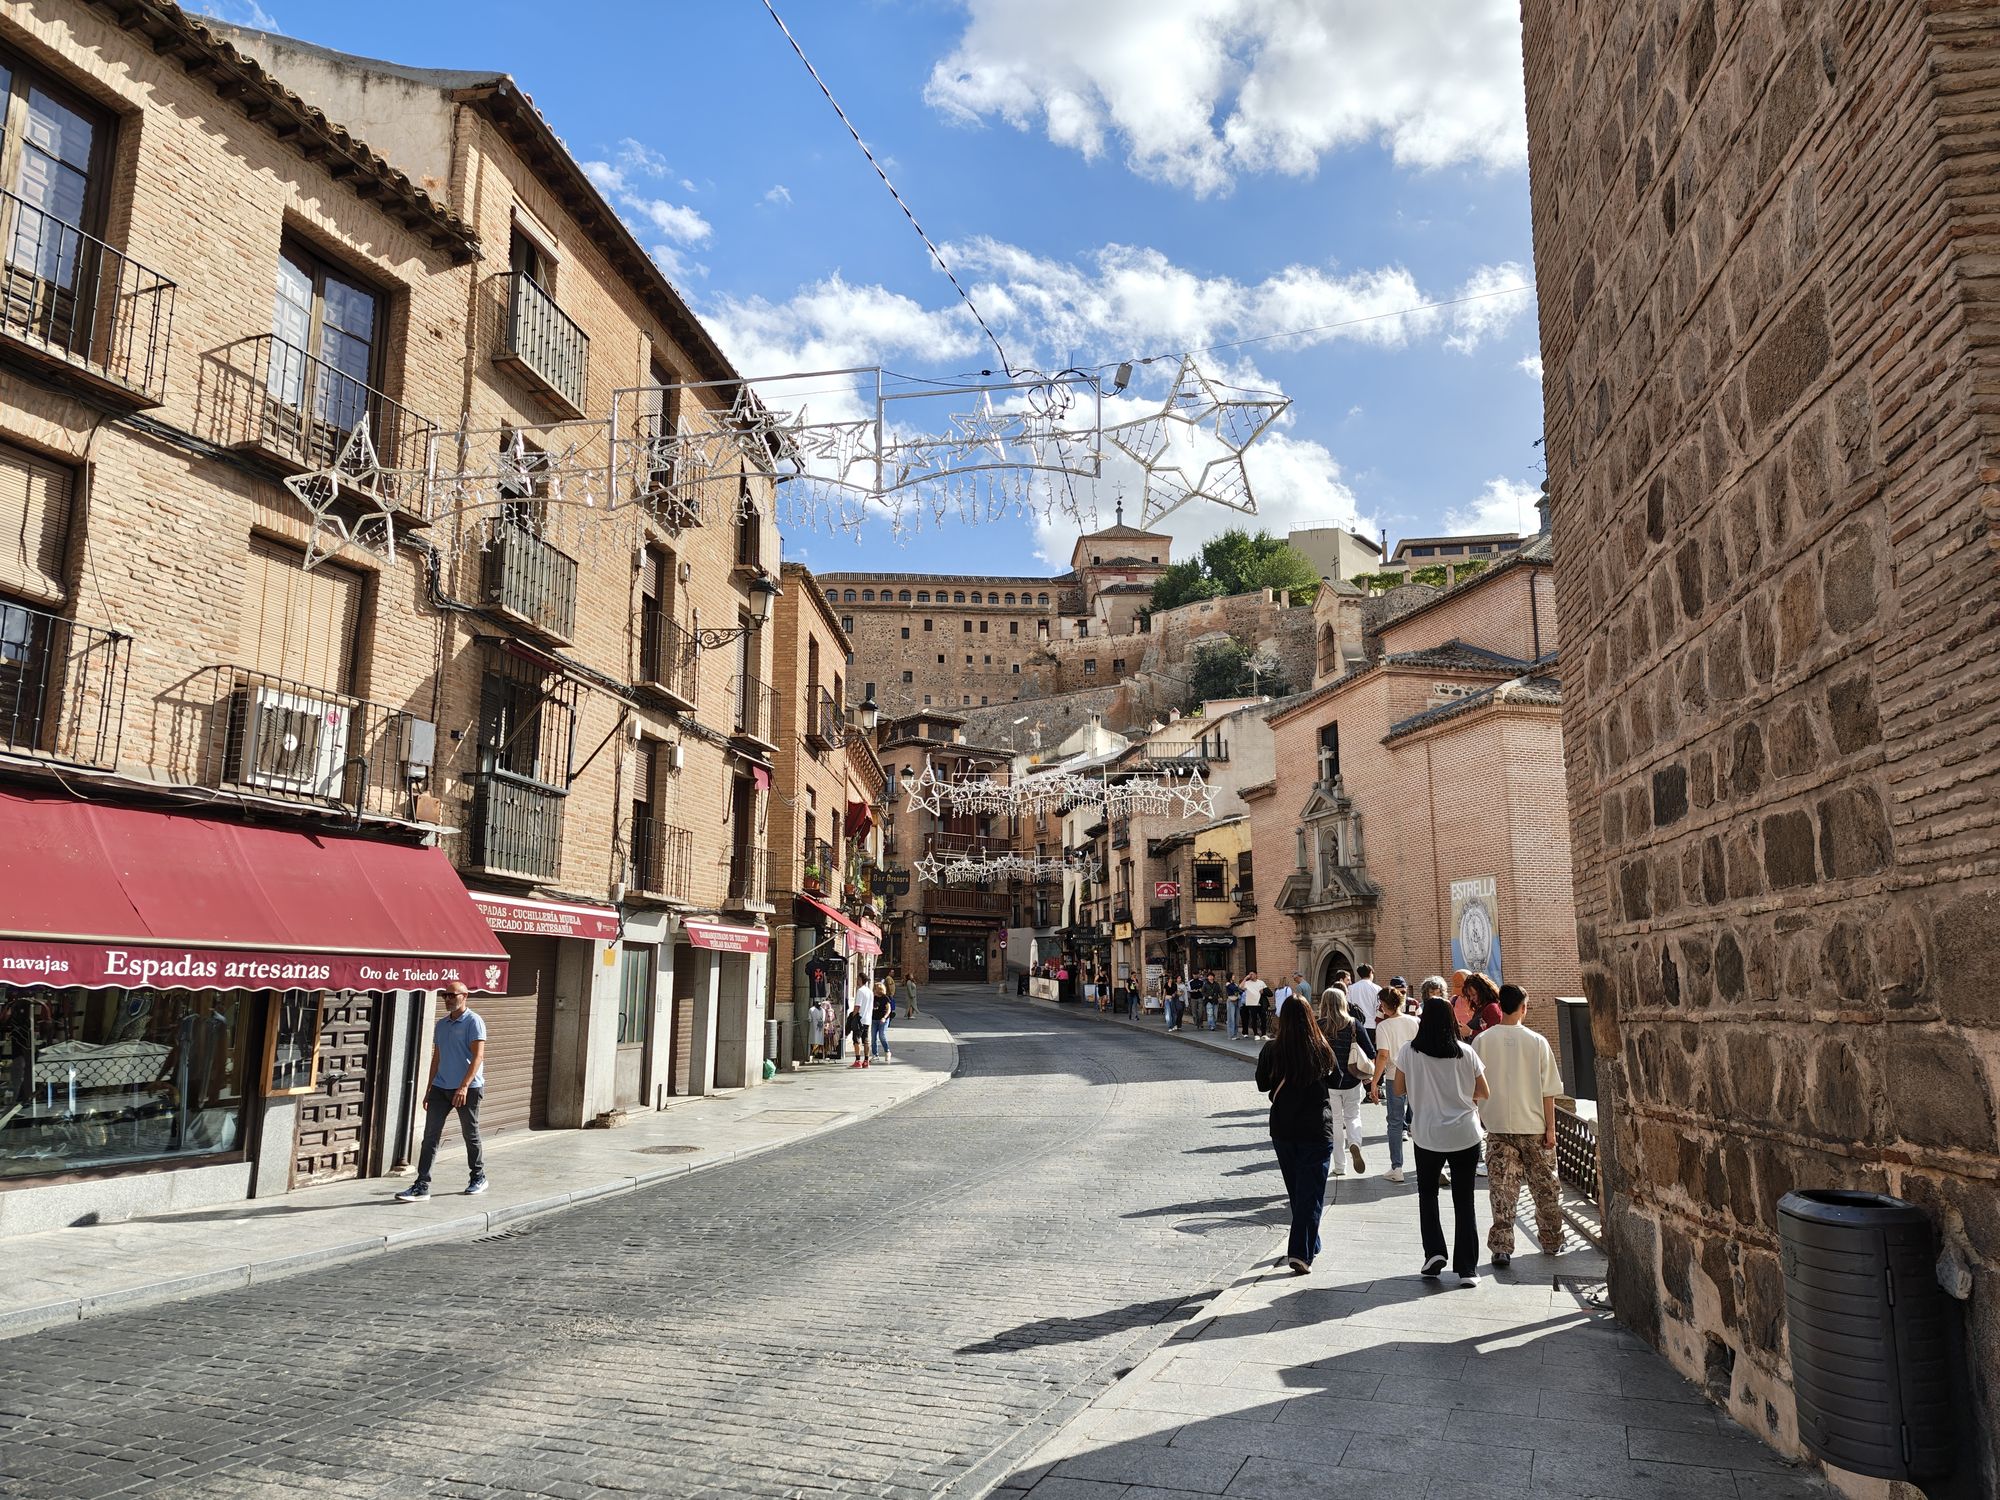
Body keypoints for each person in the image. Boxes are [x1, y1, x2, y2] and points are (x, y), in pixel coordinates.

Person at [1395, 990, 1489, 1287]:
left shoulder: (1409, 1052)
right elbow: (1484, 1091)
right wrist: (1461, 1096)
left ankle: (1434, 1253)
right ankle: (1467, 1269)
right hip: (1464, 1133)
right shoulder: (1466, 1052)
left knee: (1428, 1195)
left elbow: (1398, 1089)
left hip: (1427, 1134)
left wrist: (1423, 1091)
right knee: (1464, 1200)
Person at [1475, 983, 1565, 1267]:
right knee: (1546, 1188)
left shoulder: (1482, 1041)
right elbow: (1548, 1090)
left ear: (1500, 1006)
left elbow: (1474, 1086)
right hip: (1534, 1126)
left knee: (1501, 1188)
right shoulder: (1537, 1042)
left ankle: (1501, 1246)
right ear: (1523, 1008)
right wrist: (1551, 1129)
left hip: (1498, 1125)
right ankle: (1551, 1240)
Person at [1254, 994, 1342, 1275]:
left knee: (1298, 1191)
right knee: (1310, 1193)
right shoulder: (1321, 1047)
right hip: (1316, 1127)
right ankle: (1301, 1252)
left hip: (1283, 1128)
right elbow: (1337, 1080)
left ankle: (1308, 1244)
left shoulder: (1271, 1049)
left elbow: (1261, 1084)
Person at [397, 981, 488, 1202]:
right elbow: (437, 1058)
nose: (447, 999)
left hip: (468, 1088)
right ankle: (421, 1185)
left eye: (451, 995)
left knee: (470, 1134)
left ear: (464, 996)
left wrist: (464, 1086)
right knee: (430, 1137)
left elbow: (478, 1057)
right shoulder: (441, 1024)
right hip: (441, 1088)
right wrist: (429, 1088)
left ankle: (478, 1177)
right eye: (444, 995)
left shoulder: (474, 1022)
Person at [1373, 984, 1424, 1183]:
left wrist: (1374, 1082)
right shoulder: (1415, 1021)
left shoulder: (1384, 1026)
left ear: (1385, 1005)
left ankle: (1397, 1167)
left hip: (1395, 1076)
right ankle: (1425, 1164)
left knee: (1395, 1122)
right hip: (1417, 1074)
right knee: (1419, 1120)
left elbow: (1383, 1055)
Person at [1320, 988, 1372, 1176]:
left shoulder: (1319, 1025)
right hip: (1352, 1079)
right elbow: (1371, 1052)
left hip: (1329, 1082)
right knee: (1353, 1116)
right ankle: (1355, 1143)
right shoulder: (1353, 1024)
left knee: (1335, 1121)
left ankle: (1340, 1166)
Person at [1240, 971, 1268, 1038]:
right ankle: (1256, 1034)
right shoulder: (1247, 983)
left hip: (1260, 1003)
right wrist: (1245, 978)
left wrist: (1263, 992)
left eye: (1252, 974)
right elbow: (1240, 987)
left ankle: (1264, 1034)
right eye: (1249, 974)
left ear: (1256, 975)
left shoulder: (1261, 982)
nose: (1250, 975)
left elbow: (1266, 990)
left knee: (1263, 1019)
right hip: (1252, 1003)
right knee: (1254, 1019)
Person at [871, 980, 894, 1062]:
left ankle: (887, 1051)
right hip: (874, 1019)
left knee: (881, 1035)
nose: (873, 989)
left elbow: (889, 1009)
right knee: (873, 1037)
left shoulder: (885, 998)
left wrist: (884, 1017)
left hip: (883, 1020)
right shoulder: (873, 997)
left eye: (875, 988)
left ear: (880, 989)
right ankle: (875, 1055)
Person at [844, 1000, 870, 1068]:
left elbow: (857, 1007)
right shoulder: (870, 993)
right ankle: (866, 1061)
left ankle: (858, 1061)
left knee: (856, 1040)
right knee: (866, 1041)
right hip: (867, 1020)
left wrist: (852, 1017)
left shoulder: (860, 991)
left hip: (859, 1020)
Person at [806, 994, 827, 1062]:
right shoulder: (823, 1010)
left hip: (814, 1027)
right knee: (818, 1040)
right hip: (820, 1027)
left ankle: (814, 1053)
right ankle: (816, 1053)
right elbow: (823, 1019)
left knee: (814, 1040)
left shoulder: (811, 1009)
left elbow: (809, 1019)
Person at [1225, 974, 1243, 1039]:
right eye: (1233, 975)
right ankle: (1231, 1035)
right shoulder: (1228, 984)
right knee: (1231, 1018)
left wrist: (1240, 990)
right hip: (1231, 1001)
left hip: (1237, 1001)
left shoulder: (1235, 984)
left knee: (1236, 1018)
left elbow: (1239, 991)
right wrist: (1239, 988)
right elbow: (1235, 989)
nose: (1234, 976)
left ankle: (1235, 1034)